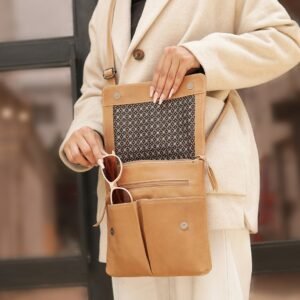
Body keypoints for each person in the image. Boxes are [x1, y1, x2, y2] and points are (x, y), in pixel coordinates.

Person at [58, 0, 300, 299]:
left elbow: (285, 39)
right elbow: (96, 88)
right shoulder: (107, 8)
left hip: (203, 191)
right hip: (129, 201)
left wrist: (200, 55)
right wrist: (84, 130)